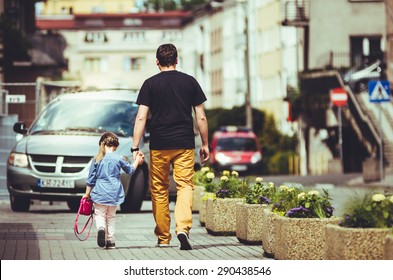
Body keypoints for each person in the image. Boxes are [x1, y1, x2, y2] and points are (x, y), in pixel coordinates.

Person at [132, 43, 209, 250]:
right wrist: (206, 144)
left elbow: (141, 117)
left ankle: (163, 237)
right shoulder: (190, 82)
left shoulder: (150, 84)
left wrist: (135, 146)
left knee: (159, 188)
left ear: (157, 62)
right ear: (176, 60)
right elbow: (200, 116)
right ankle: (183, 228)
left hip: (159, 144)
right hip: (184, 143)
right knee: (184, 186)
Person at [83, 132, 144, 249]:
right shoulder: (119, 158)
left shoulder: (96, 159)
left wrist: (87, 194)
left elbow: (90, 179)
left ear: (102, 144)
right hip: (114, 192)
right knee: (111, 217)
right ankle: (110, 241)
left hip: (100, 192)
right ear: (115, 146)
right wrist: (137, 160)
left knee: (100, 215)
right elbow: (130, 170)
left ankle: (101, 228)